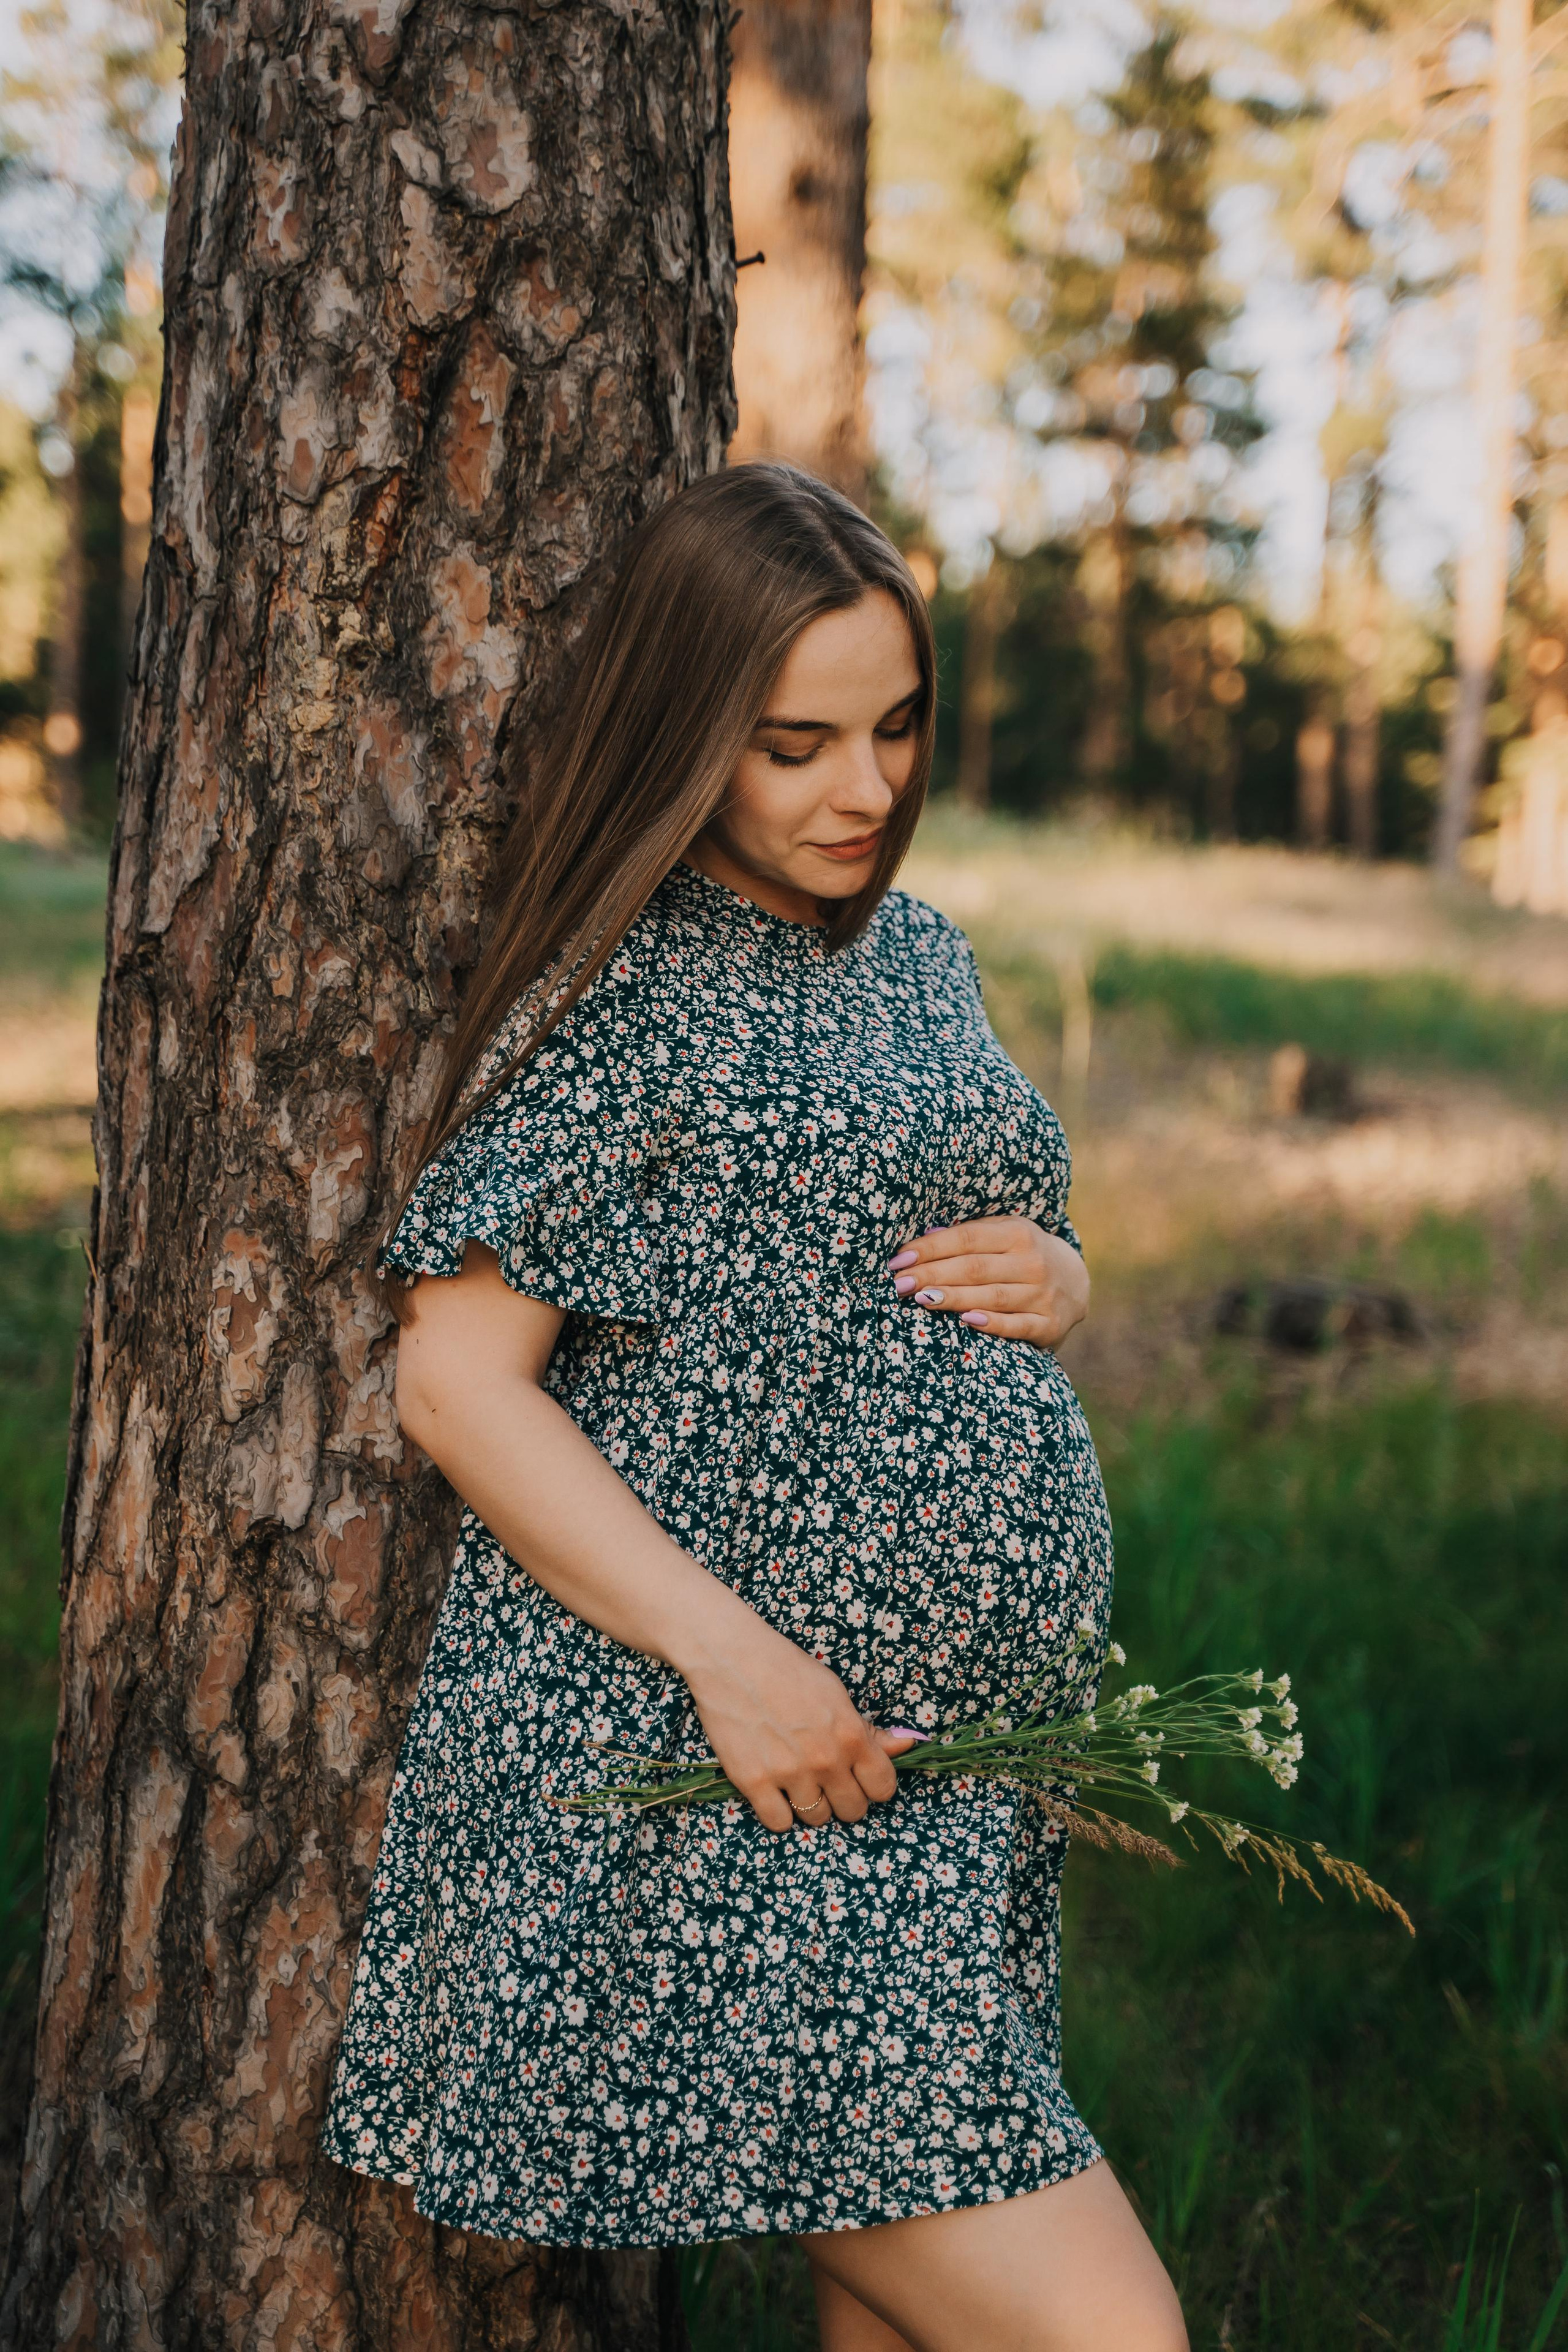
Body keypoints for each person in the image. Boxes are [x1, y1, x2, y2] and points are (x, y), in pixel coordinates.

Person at [322, 464, 1186, 2352]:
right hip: (726, 1783)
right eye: (795, 744)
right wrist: (738, 1664)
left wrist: (1064, 1280)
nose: (862, 791)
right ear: (687, 727)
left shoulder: (916, 950)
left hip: (933, 1783)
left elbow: (973, 1223)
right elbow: (459, 1384)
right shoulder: (624, 989)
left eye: (895, 728)